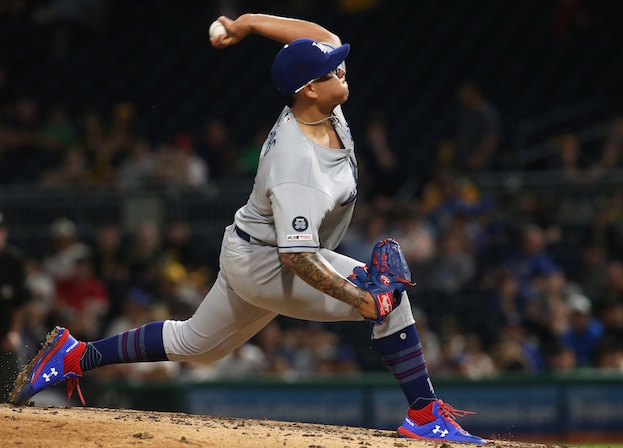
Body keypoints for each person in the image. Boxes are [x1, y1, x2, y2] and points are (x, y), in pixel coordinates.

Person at [10, 13, 485, 444]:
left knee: (195, 343)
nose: (342, 69)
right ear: (308, 90)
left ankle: (74, 356)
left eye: (338, 65)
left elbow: (320, 38)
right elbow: (296, 257)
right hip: (269, 261)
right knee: (391, 301)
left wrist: (248, 25)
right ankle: (424, 415)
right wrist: (365, 302)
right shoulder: (297, 164)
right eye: (331, 70)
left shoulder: (321, 102)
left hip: (248, 248)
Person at [0, 212, 31, 402]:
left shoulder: (13, 261)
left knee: (16, 393)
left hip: (6, 338)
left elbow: (21, 302)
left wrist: (15, 332)